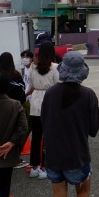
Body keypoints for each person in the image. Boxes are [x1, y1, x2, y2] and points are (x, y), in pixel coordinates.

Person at [40, 52, 99, 197]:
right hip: (77, 154)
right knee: (83, 191)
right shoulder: (88, 95)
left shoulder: (50, 94)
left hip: (53, 155)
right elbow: (94, 129)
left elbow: (44, 123)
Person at [25, 42, 59, 179]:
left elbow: (31, 86)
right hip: (50, 102)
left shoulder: (33, 68)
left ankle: (34, 166)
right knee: (48, 137)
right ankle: (45, 167)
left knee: (36, 137)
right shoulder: (55, 67)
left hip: (35, 103)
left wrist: (24, 95)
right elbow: (59, 86)